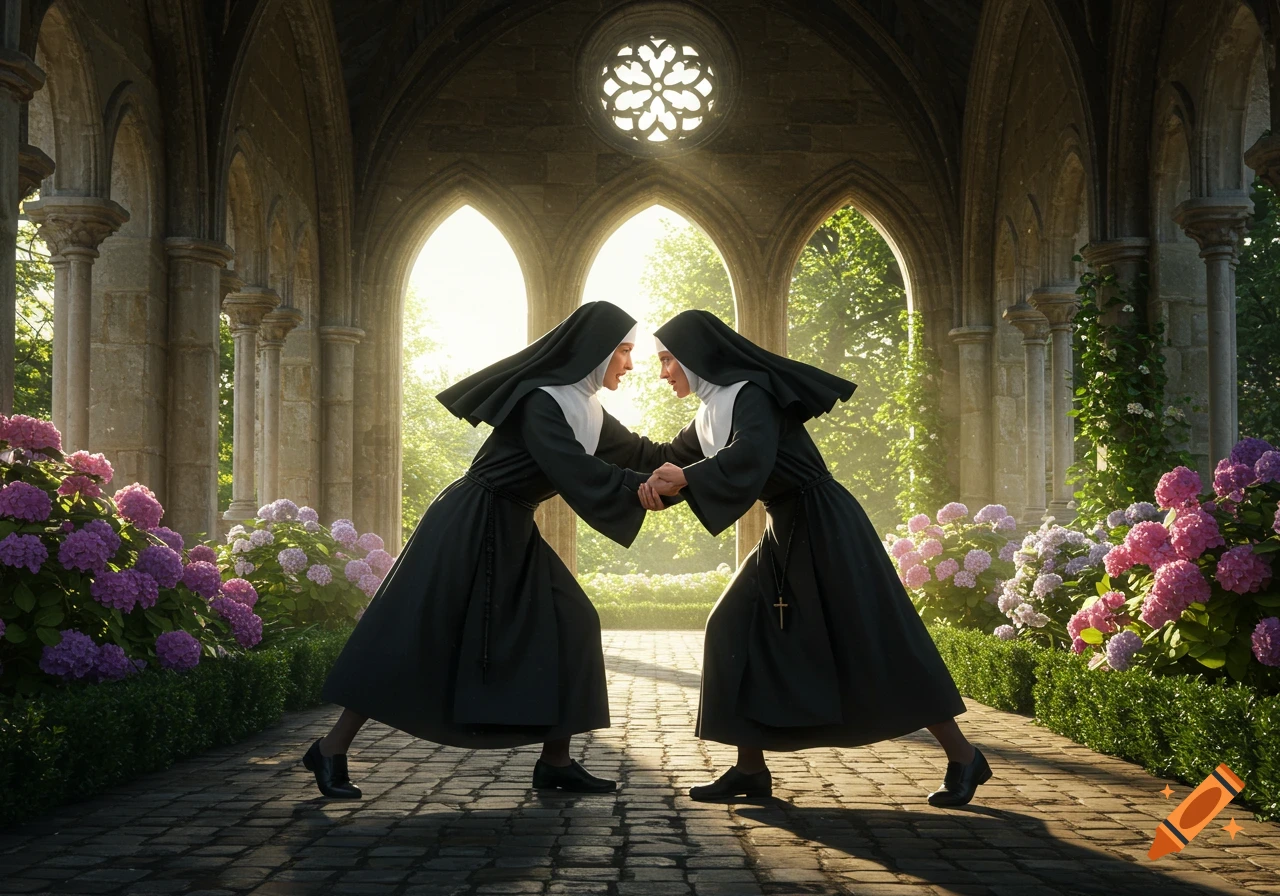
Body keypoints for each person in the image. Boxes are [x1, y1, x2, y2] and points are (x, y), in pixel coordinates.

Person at [308, 301, 666, 798]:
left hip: (512, 521)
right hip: (470, 520)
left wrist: (707, 459)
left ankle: (556, 761)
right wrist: (643, 486)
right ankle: (330, 749)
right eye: (624, 352)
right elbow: (578, 472)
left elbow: (646, 455)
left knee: (573, 618)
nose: (631, 364)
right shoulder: (542, 402)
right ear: (595, 351)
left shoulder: (587, 407)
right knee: (414, 631)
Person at [637, 310, 990, 807]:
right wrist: (599, 448)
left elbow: (750, 456)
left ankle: (963, 756)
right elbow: (666, 458)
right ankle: (750, 768)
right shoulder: (710, 410)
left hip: (825, 523)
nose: (663, 372)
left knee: (875, 638)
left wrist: (686, 478)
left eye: (668, 359)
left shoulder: (750, 392)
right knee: (732, 624)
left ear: (697, 354)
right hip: (785, 526)